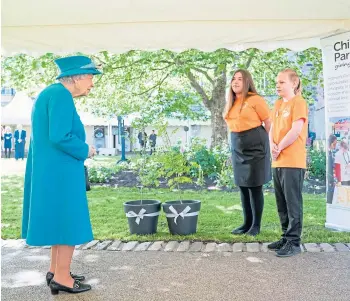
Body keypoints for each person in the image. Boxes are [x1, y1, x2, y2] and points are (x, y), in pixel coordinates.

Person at [21, 55, 100, 295]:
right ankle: (62, 278)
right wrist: (86, 149)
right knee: (67, 221)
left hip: (52, 170)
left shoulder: (51, 93)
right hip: (61, 171)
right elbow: (60, 136)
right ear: (76, 77)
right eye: (90, 77)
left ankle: (56, 271)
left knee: (59, 220)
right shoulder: (61, 96)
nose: (92, 83)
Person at [223, 69, 271, 236]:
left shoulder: (255, 99)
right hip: (238, 146)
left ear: (247, 82)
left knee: (255, 186)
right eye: (234, 79)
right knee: (243, 186)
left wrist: (267, 143)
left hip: (255, 145)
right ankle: (246, 223)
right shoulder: (231, 101)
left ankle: (256, 226)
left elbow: (268, 122)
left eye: (240, 79)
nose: (235, 82)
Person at [268, 69, 308, 257]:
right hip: (278, 160)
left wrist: (280, 147)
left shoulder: (298, 103)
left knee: (293, 202)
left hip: (293, 160)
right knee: (281, 202)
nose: (278, 85)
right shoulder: (277, 104)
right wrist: (272, 147)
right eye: (277, 82)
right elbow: (272, 129)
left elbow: (296, 129)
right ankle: (285, 236)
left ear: (293, 83)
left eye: (282, 82)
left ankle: (294, 241)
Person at [327, 134, 337, 204]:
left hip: (331, 178)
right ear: (331, 143)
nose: (335, 146)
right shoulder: (328, 153)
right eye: (334, 144)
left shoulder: (331, 152)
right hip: (330, 179)